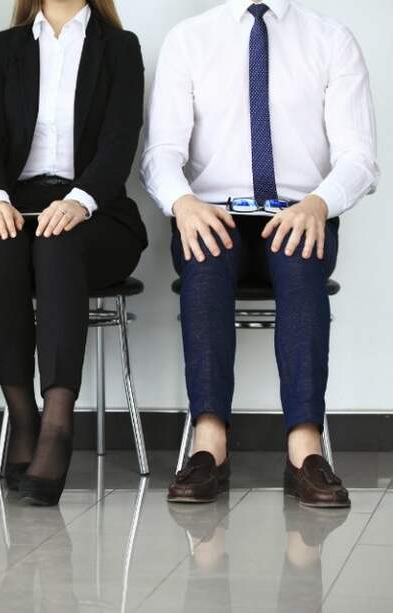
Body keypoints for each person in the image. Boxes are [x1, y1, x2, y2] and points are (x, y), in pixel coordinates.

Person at [142, 0, 379, 507]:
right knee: (204, 265)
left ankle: (305, 450)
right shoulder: (189, 38)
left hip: (298, 211)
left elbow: (359, 156)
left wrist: (319, 204)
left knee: (300, 267)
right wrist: (182, 204)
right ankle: (209, 444)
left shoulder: (331, 39)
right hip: (212, 210)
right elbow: (161, 152)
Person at [0, 0, 147, 506]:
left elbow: (120, 141)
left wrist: (80, 200)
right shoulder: (5, 48)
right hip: (17, 204)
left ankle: (58, 424)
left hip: (98, 211)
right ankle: (23, 417)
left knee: (59, 241)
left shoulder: (120, 48)